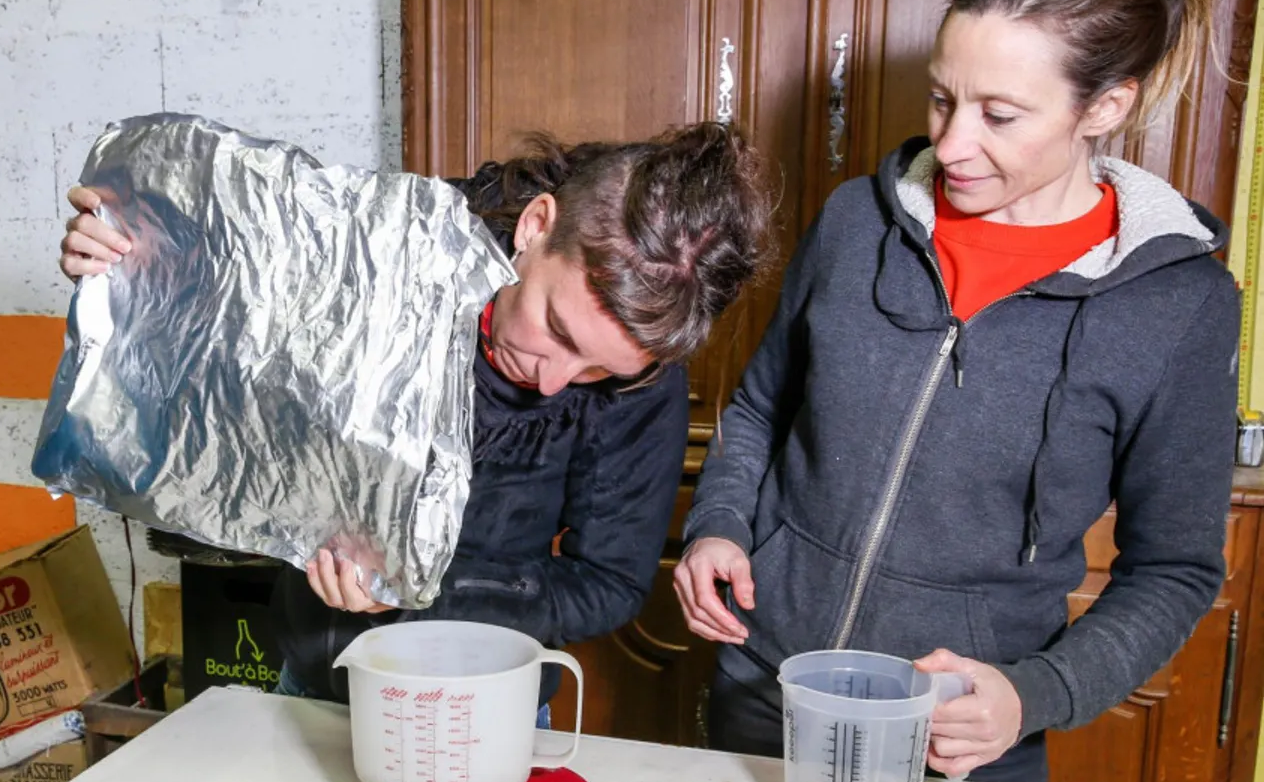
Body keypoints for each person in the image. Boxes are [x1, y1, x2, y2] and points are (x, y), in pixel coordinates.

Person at [673, 0, 1237, 782]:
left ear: (1106, 107)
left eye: (999, 115)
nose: (951, 142)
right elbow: (758, 408)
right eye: (943, 98)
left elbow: (1173, 570)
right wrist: (719, 527)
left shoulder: (1180, 306)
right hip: (766, 682)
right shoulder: (858, 223)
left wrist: (1033, 694)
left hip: (960, 736)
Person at [61, 126, 776, 712]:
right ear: (535, 227)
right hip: (315, 677)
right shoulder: (387, 253)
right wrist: (129, 270)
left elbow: (609, 583)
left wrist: (410, 585)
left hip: (492, 705)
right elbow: (232, 337)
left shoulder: (643, 378)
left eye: (599, 371)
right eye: (556, 329)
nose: (555, 382)